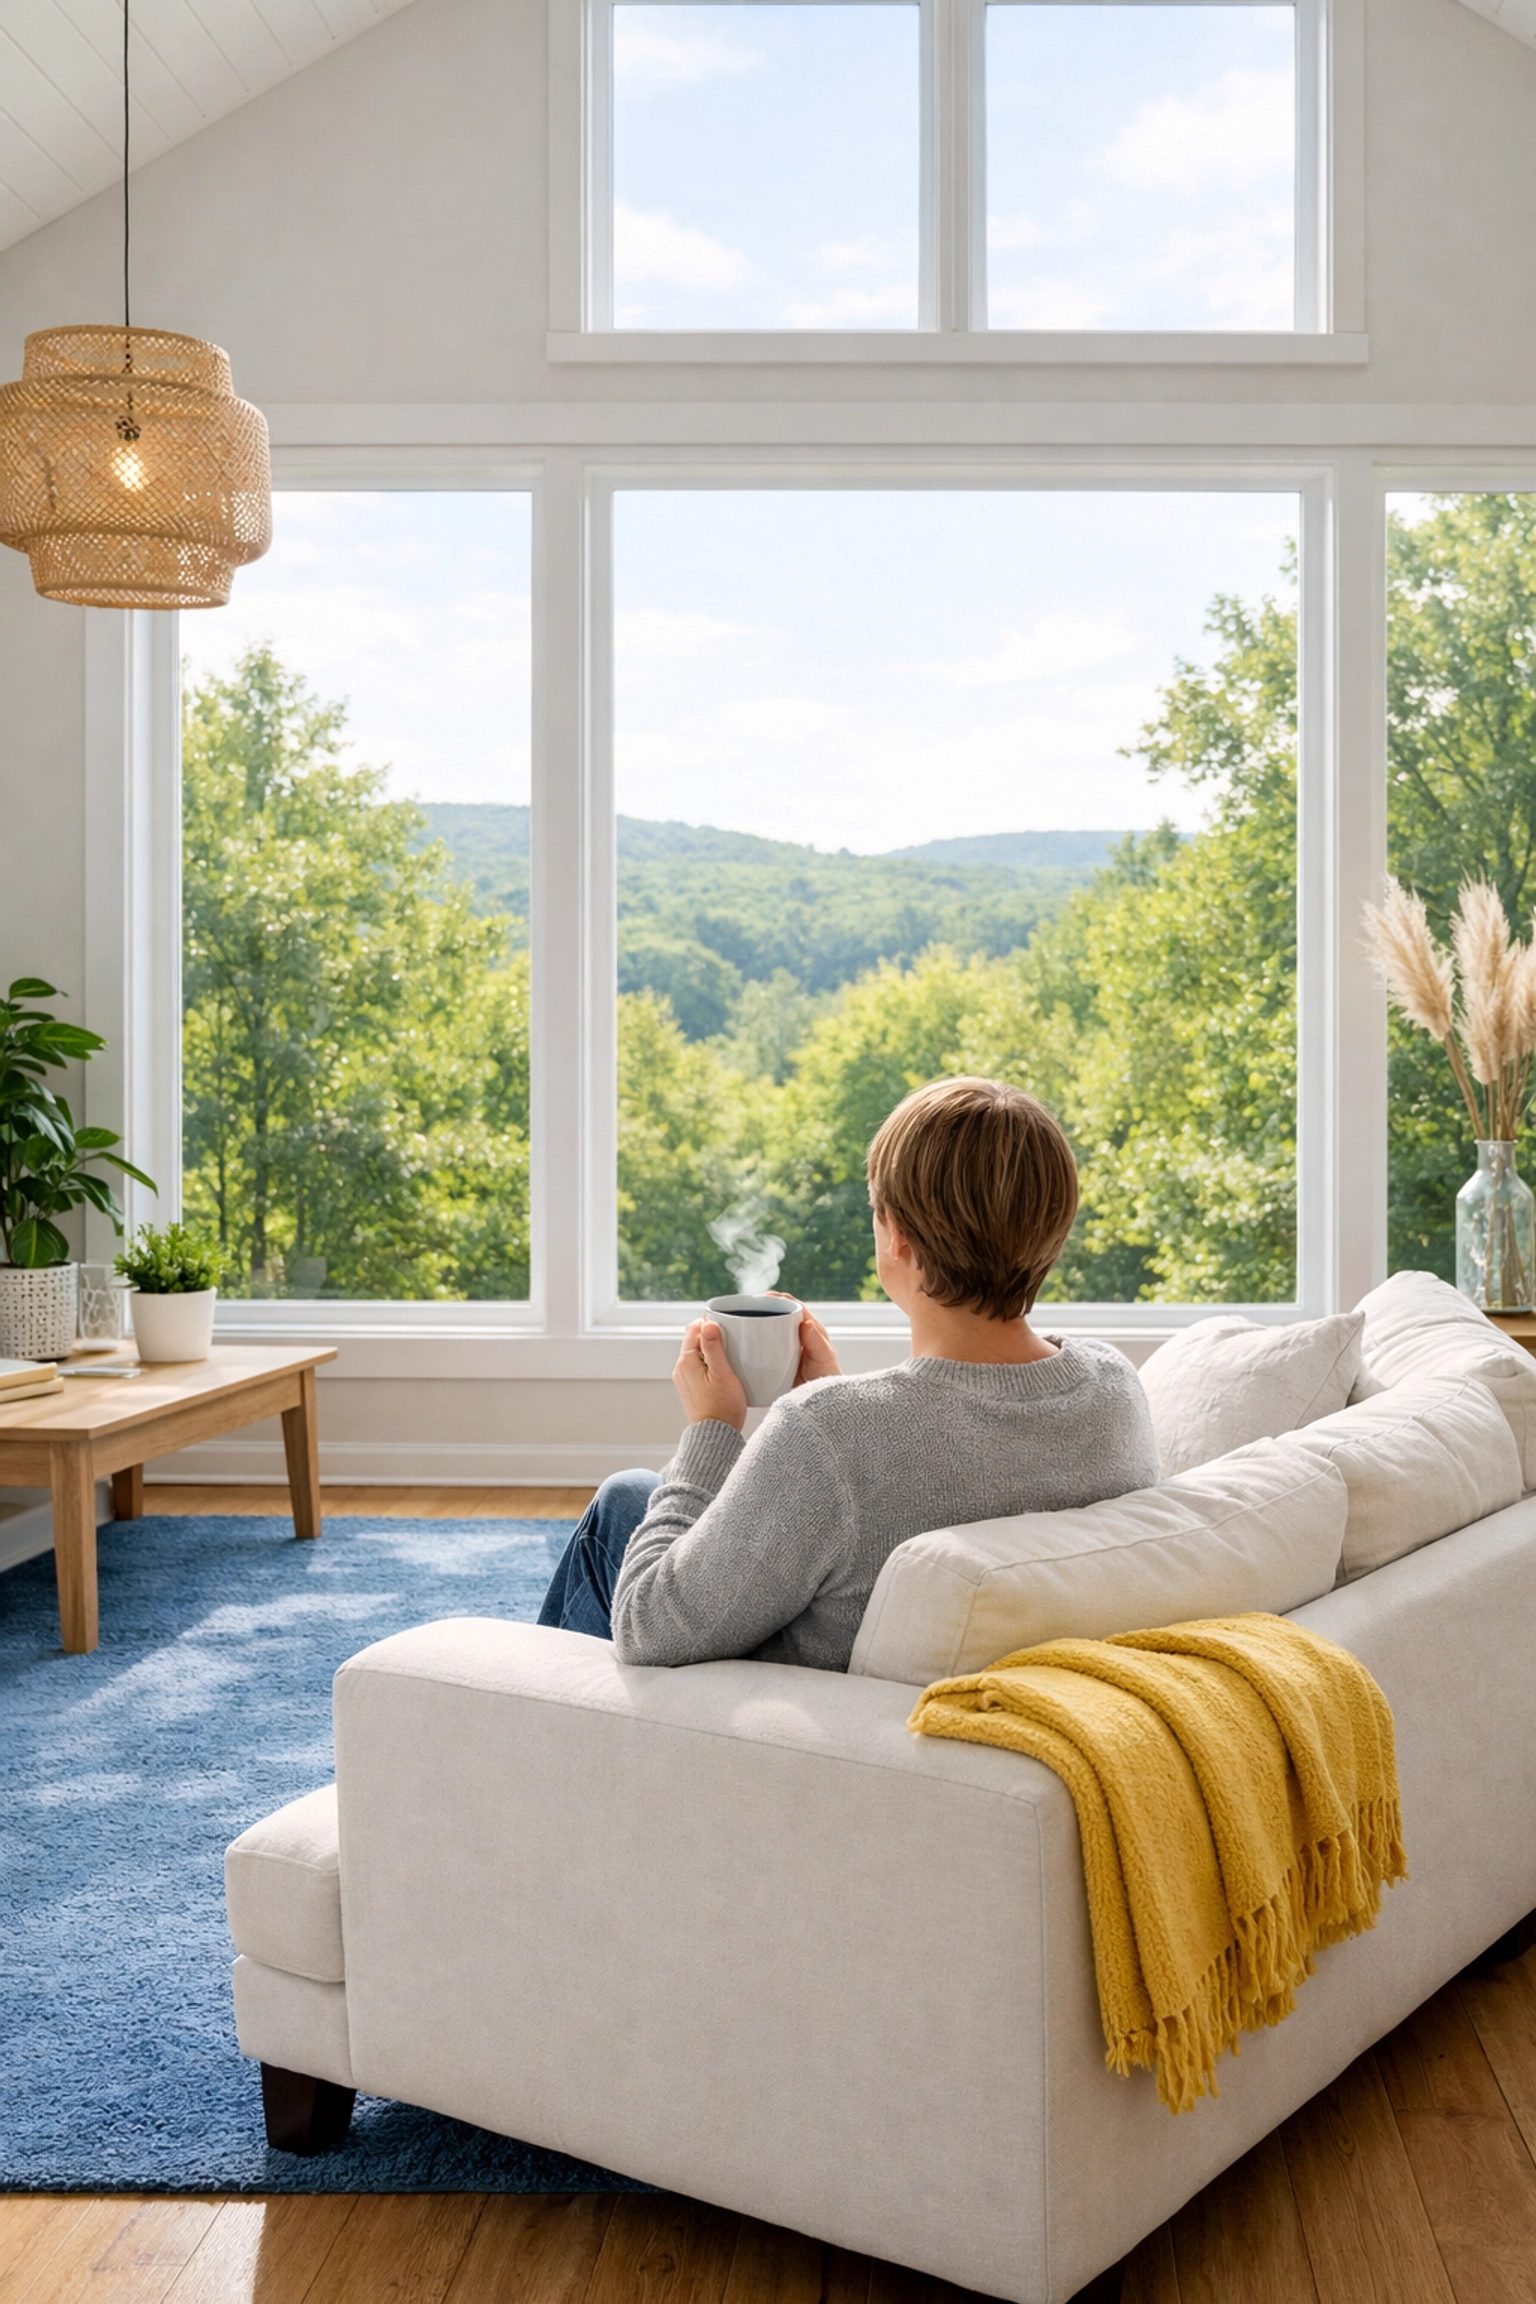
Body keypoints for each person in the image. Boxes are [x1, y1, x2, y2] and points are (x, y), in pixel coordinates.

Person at [538, 1075, 1159, 1672]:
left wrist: (712, 1430)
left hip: (773, 1710)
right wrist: (832, 1394)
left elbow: (649, 1630)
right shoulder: (1113, 1386)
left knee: (623, 1501)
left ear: (898, 1237)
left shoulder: (827, 1434)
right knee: (636, 1494)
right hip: (1008, 1677)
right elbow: (931, 1464)